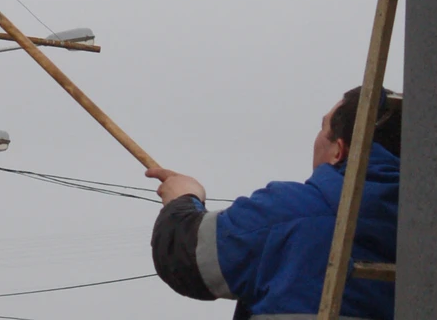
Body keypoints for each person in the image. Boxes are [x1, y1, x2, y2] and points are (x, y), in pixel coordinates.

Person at [147, 86, 401, 320]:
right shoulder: (434, 232)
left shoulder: (294, 212)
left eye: (323, 127)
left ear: (339, 151)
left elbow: (186, 255)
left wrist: (183, 198)